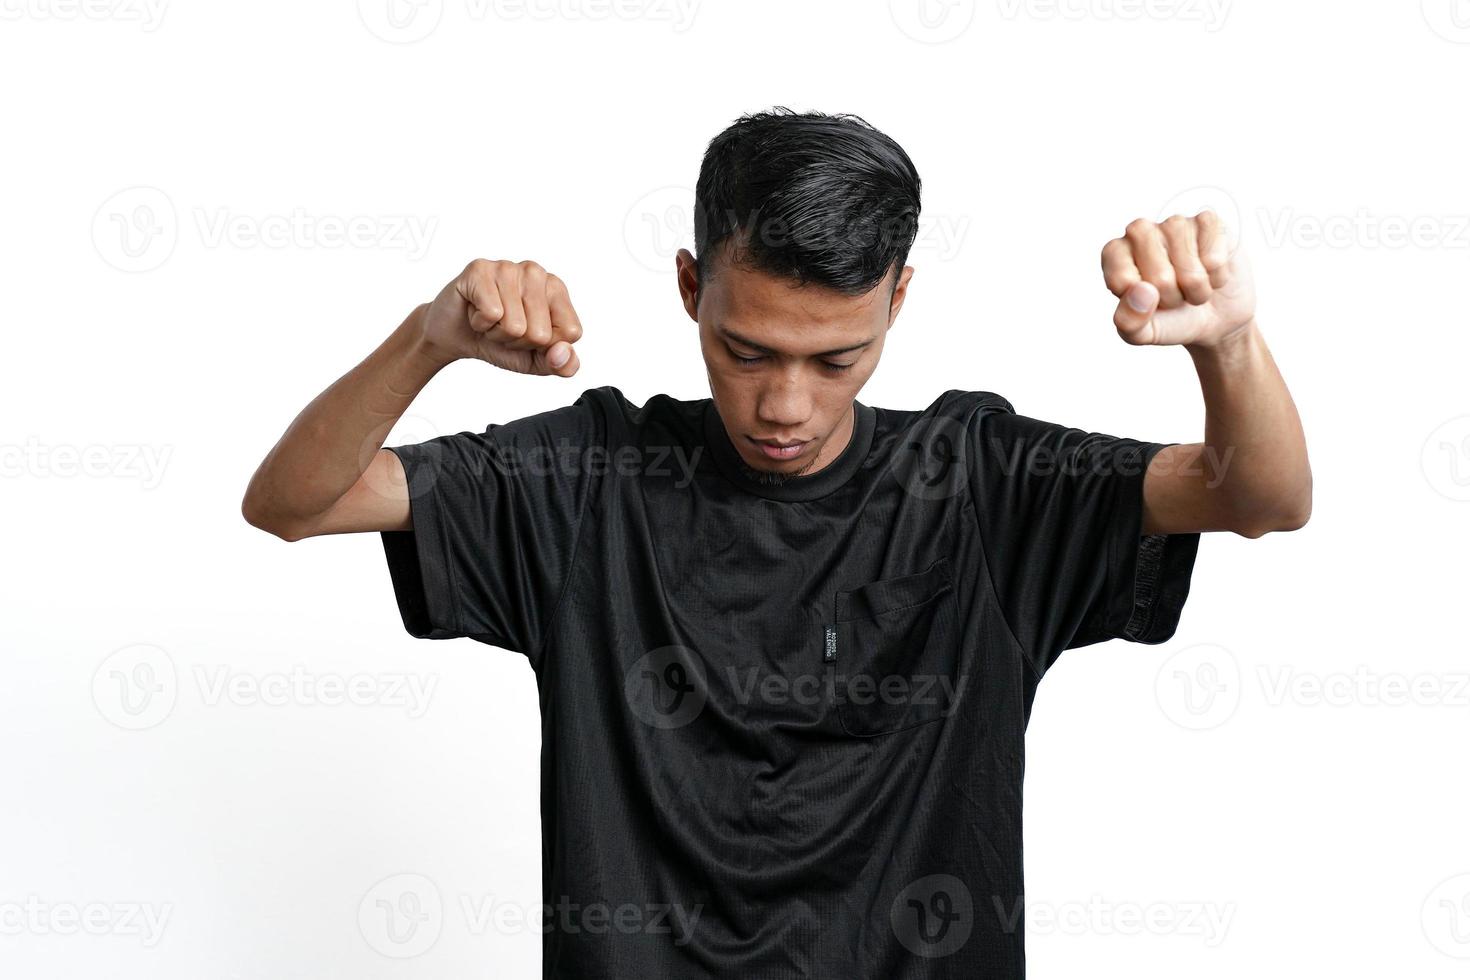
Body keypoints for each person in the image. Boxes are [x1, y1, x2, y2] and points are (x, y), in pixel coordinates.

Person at [242, 108, 1311, 978]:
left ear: (898, 298)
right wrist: (429, 340)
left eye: (837, 359)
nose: (785, 404)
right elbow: (293, 501)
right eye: (744, 351)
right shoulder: (585, 479)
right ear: (688, 288)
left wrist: (1229, 343)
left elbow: (1260, 496)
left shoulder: (981, 481)